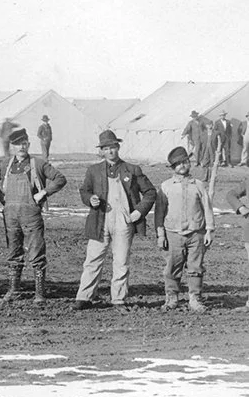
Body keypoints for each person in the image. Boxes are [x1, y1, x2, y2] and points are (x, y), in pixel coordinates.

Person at [74, 129, 156, 310]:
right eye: (106, 148)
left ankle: (118, 299)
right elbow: (84, 191)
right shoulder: (93, 170)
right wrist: (90, 199)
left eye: (113, 147)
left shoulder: (132, 170)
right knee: (93, 259)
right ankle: (84, 297)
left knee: (121, 261)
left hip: (123, 221)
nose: (110, 151)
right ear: (101, 151)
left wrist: (138, 212)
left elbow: (150, 193)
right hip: (100, 219)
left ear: (118, 148)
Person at [0, 127, 67, 302]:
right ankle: (14, 290)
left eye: (23, 143)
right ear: (11, 146)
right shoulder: (6, 164)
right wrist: (2, 200)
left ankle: (39, 293)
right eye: (16, 144)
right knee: (13, 252)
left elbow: (60, 178)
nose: (21, 147)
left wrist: (43, 193)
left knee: (36, 252)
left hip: (31, 214)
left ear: (28, 144)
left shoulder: (38, 163)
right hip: (10, 214)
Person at [155, 146, 213, 312]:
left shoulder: (199, 185)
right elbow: (159, 212)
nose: (182, 165)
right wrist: (160, 235)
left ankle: (195, 298)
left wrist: (209, 230)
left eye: (185, 162)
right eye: (178, 164)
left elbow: (207, 208)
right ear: (173, 167)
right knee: (173, 266)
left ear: (190, 163)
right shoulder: (166, 186)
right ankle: (171, 298)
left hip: (196, 233)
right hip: (173, 233)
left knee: (196, 267)